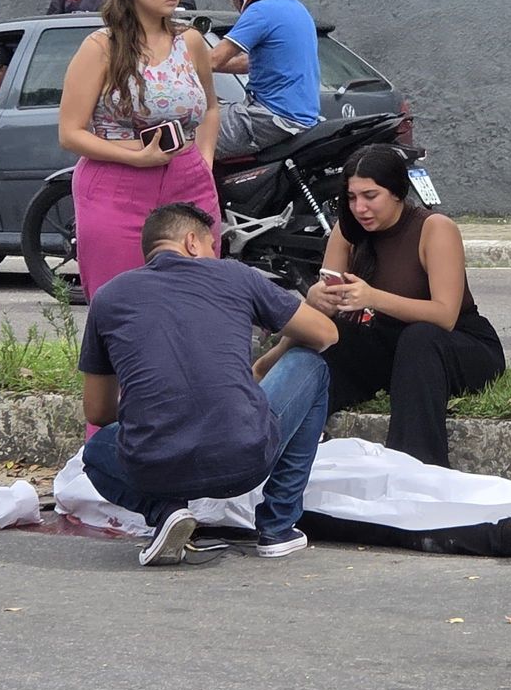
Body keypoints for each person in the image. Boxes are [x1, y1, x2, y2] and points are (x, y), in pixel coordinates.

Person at [78, 202, 339, 565]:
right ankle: (278, 526)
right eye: (211, 247)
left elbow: (98, 411)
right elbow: (326, 333)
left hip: (155, 470)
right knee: (312, 366)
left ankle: (165, 511)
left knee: (96, 452)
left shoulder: (108, 297)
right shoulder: (235, 275)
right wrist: (266, 361)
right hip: (245, 461)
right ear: (192, 243)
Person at [53, 436, 511, 563]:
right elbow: (95, 494)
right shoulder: (90, 467)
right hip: (256, 495)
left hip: (288, 452)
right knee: (384, 511)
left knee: (411, 476)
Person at [265, 145, 503, 469]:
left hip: (456, 344)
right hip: (388, 345)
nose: (360, 208)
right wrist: (314, 302)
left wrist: (373, 297)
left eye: (370, 196)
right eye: (351, 198)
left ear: (396, 193)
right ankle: (276, 445)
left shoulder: (435, 228)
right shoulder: (346, 231)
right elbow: (324, 319)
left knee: (420, 338)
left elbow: (445, 316)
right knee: (337, 336)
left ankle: (415, 468)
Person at [56, 0, 220, 297]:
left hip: (187, 181)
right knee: (123, 301)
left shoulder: (190, 41)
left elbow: (210, 106)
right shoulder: (101, 47)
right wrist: (137, 157)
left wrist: (203, 161)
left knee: (198, 298)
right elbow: (70, 133)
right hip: (117, 184)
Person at [209, 0, 320, 158]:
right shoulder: (297, 9)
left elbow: (214, 59)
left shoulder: (261, 11)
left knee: (187, 135)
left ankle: (201, 193)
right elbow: (248, 63)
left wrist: (173, 61)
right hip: (301, 118)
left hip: (270, 117)